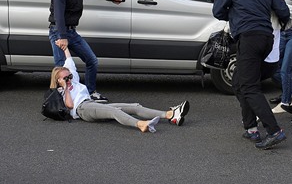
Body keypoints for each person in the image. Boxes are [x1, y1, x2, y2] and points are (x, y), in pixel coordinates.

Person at [212, 0, 290, 150]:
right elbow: (284, 12)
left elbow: (217, 11)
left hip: (248, 38)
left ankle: (274, 130)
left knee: (249, 86)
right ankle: (251, 127)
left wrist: (233, 14)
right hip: (266, 39)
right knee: (239, 82)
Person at [51, 44, 189, 131]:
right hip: (82, 110)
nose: (69, 79)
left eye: (69, 76)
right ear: (58, 81)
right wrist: (65, 88)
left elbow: (69, 61)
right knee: (114, 111)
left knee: (134, 106)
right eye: (66, 78)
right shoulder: (60, 92)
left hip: (91, 103)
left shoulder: (72, 78)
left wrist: (65, 47)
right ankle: (140, 124)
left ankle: (170, 115)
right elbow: (69, 106)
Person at [48, 0, 124, 102]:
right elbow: (58, 16)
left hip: (71, 32)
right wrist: (63, 37)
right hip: (59, 32)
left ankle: (90, 92)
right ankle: (61, 100)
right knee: (62, 68)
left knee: (91, 60)